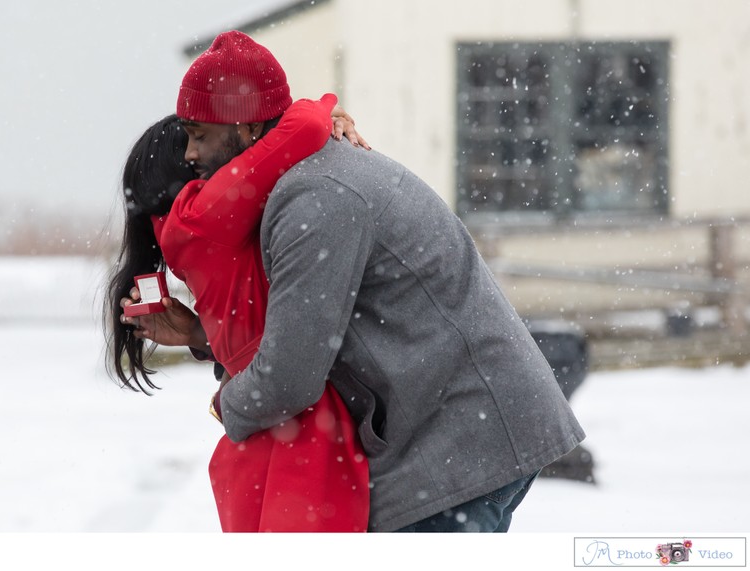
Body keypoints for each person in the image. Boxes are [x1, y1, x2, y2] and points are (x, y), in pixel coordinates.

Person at [134, 30, 586, 533]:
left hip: (461, 435)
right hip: (455, 429)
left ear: (246, 127)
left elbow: (292, 376)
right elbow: (303, 335)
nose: (191, 154)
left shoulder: (313, 196)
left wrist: (228, 406)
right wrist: (201, 335)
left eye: (199, 134)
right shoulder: (308, 176)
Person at [107, 94, 370, 531]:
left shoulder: (191, 237)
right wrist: (319, 112)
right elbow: (294, 135)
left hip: (265, 448)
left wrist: (201, 338)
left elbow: (259, 338)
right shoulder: (207, 216)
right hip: (301, 445)